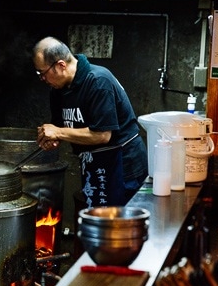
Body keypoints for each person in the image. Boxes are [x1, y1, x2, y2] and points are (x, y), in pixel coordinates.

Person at [32, 36, 147, 208]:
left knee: (119, 226)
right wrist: (53, 139)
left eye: (43, 73)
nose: (42, 79)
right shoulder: (57, 91)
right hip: (92, 164)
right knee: (97, 223)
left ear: (61, 65)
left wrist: (58, 133)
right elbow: (60, 129)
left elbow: (102, 135)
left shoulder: (98, 81)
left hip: (124, 166)